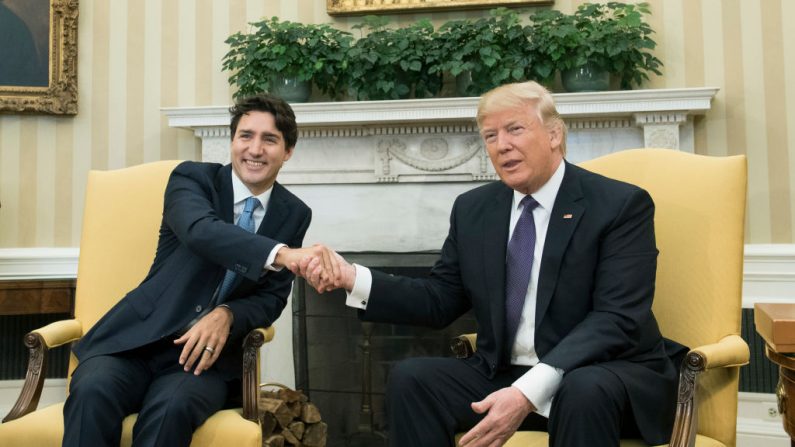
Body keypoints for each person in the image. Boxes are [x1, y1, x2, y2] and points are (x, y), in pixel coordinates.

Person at [296, 81, 687, 447]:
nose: (502, 145)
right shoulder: (474, 209)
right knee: (412, 378)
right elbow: (440, 299)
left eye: (515, 129)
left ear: (554, 135)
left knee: (582, 389)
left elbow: (616, 318)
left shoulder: (619, 205)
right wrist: (352, 278)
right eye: (490, 136)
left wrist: (526, 392)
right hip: (504, 370)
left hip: (600, 372)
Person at [62, 94, 338, 447]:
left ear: (288, 151)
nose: (255, 149)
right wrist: (282, 253)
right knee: (92, 391)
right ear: (232, 141)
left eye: (269, 139)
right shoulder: (192, 180)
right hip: (134, 342)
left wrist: (228, 314)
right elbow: (201, 231)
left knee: (170, 410)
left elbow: (271, 298)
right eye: (245, 136)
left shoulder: (293, 213)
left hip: (205, 360)